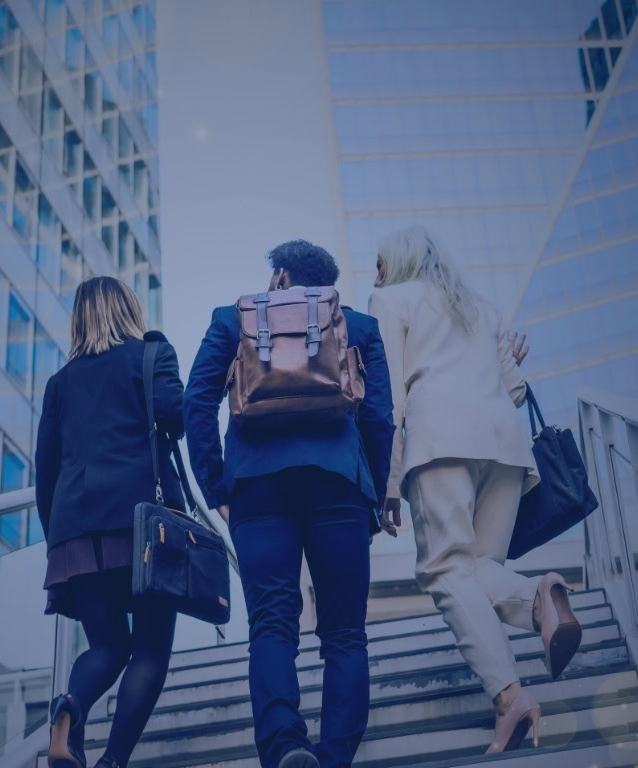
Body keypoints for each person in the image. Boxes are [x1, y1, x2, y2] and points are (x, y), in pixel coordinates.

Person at [368, 225, 581, 754]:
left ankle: (509, 698)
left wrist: (388, 482)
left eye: (379, 263)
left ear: (396, 264)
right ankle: (538, 595)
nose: (374, 273)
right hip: (504, 447)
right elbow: (514, 391)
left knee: (444, 569)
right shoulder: (480, 308)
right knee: (480, 565)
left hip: (439, 440)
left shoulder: (388, 299)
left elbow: (390, 394)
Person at [184, 240, 395, 768]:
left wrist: (217, 487)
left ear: (279, 277)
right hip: (338, 483)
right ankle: (335, 755)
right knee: (344, 630)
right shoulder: (358, 327)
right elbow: (379, 419)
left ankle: (284, 745)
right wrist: (370, 494)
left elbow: (196, 401)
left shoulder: (232, 319)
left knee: (273, 623)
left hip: (257, 487)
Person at [35, 276, 185, 768]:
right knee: (149, 651)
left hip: (75, 530)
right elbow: (175, 417)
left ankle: (69, 710)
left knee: (107, 646)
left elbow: (46, 471)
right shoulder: (149, 355)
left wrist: (59, 541)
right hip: (144, 527)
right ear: (128, 309)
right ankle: (113, 761)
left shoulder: (60, 383)